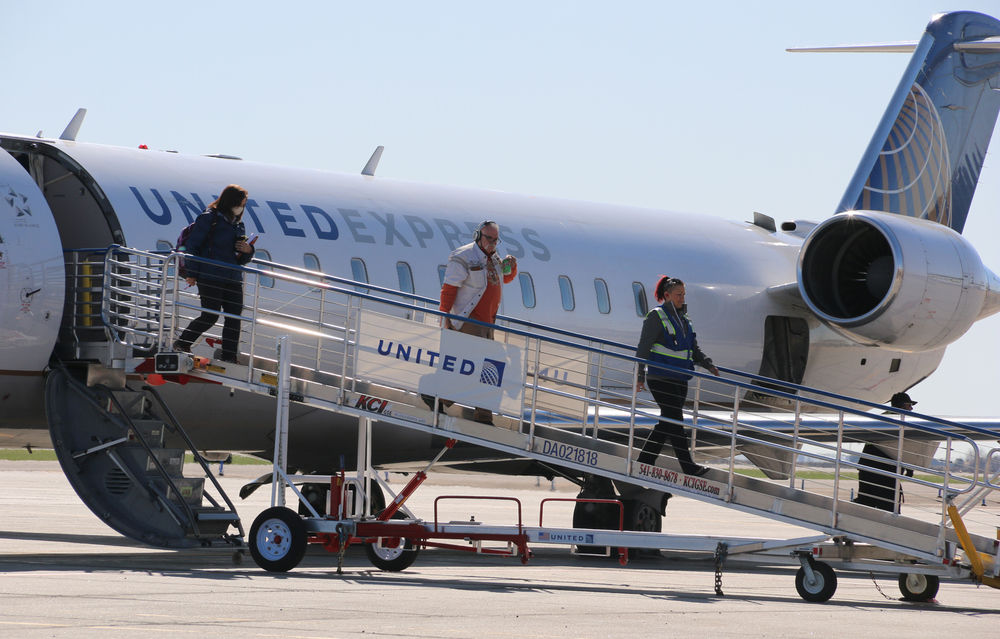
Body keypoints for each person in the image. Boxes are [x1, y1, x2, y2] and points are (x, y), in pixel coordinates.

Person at [427, 220, 518, 424]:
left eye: (496, 240)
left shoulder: (494, 258)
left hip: (488, 324)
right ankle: (443, 398)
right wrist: (446, 318)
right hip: (468, 321)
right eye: (488, 238)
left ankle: (481, 414)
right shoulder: (464, 256)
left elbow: (505, 279)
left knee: (490, 368)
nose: (492, 243)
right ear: (478, 236)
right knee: (474, 368)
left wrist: (511, 268)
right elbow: (449, 289)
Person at [635, 276, 719, 476]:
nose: (682, 298)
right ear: (667, 296)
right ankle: (688, 467)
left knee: (667, 422)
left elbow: (693, 348)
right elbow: (643, 348)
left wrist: (708, 364)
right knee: (676, 421)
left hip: (680, 379)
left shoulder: (684, 319)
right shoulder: (656, 317)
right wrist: (639, 376)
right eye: (678, 295)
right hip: (660, 378)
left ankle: (644, 461)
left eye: (683, 294)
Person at [174, 184, 255, 363]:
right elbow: (193, 247)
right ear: (230, 201)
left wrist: (248, 250)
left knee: (234, 317)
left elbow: (239, 258)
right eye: (240, 203)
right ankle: (182, 342)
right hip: (210, 275)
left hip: (232, 276)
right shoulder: (209, 218)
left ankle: (229, 356)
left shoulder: (238, 225)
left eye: (243, 204)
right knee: (210, 314)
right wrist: (192, 272)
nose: (241, 207)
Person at [854, 391, 916, 513]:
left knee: (866, 504)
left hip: (867, 468)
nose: (912, 409)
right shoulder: (900, 421)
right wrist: (909, 467)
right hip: (884, 472)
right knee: (889, 509)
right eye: (909, 405)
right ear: (903, 406)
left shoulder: (881, 418)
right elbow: (904, 446)